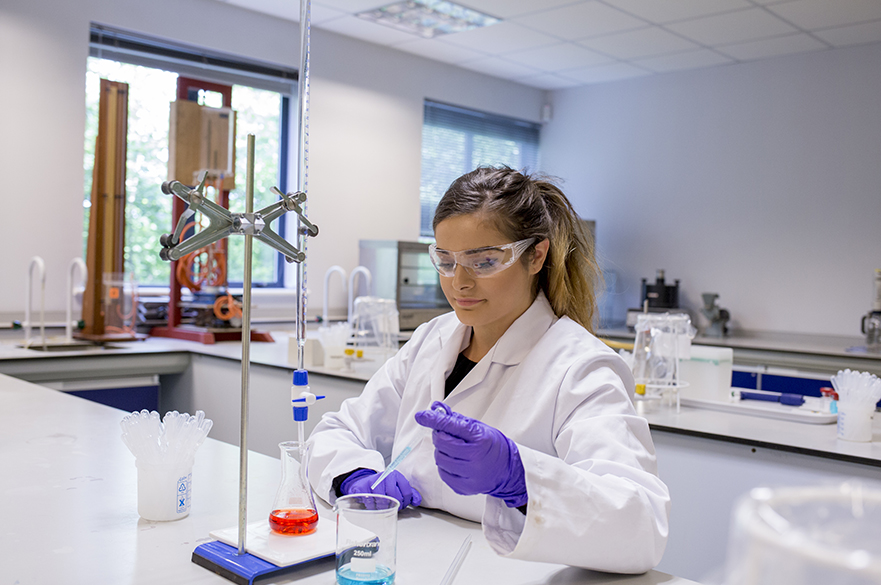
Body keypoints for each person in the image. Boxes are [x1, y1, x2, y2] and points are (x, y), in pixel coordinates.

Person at [307, 166, 670, 573]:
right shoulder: (433, 339)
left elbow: (641, 528)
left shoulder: (581, 366)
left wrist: (520, 480)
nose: (459, 283)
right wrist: (354, 474)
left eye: (483, 262)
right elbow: (338, 430)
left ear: (535, 255)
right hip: (412, 562)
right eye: (445, 261)